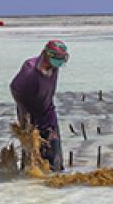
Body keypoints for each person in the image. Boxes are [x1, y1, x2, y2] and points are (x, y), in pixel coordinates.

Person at [11, 39, 69, 170]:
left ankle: (55, 182)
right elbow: (15, 89)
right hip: (30, 116)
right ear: (46, 54)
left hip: (48, 112)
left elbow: (48, 94)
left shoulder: (54, 67)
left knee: (54, 157)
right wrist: (25, 120)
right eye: (56, 59)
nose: (57, 65)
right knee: (32, 158)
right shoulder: (29, 71)